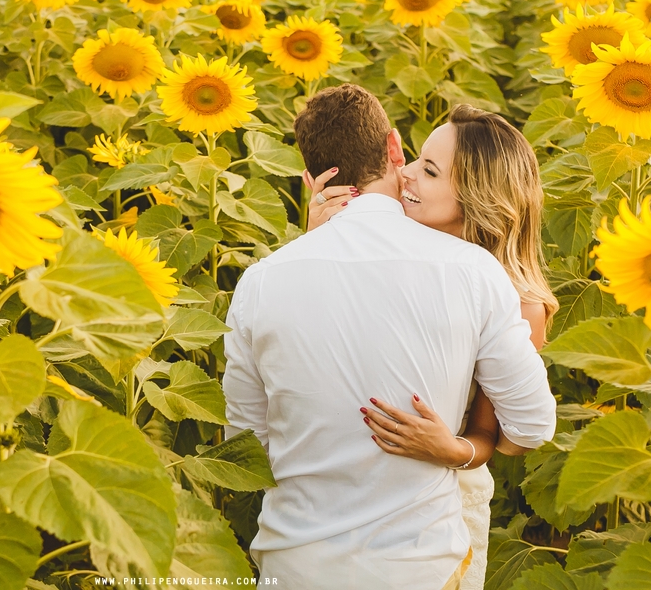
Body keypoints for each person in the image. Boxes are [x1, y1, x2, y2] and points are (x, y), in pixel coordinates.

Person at [222, 84, 556, 590]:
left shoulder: (264, 280)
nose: (408, 175)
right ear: (394, 147)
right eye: (414, 161)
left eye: (430, 169)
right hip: (421, 555)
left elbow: (247, 444)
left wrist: (458, 450)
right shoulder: (470, 272)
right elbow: (533, 424)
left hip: (303, 555)